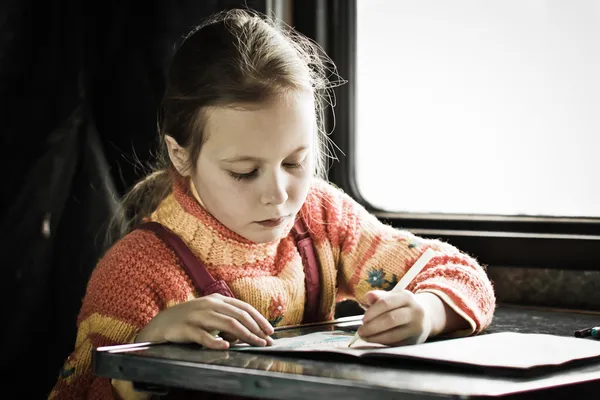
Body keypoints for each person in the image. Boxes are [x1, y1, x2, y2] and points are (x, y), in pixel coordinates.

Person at [49, 8, 496, 399]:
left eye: (295, 162)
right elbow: (78, 391)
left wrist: (429, 311)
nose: (279, 195)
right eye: (244, 172)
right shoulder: (137, 271)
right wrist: (144, 354)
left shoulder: (321, 219)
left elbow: (459, 274)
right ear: (181, 155)